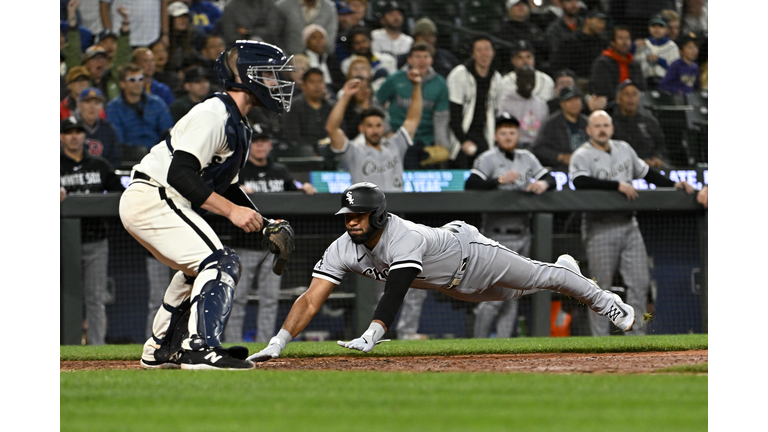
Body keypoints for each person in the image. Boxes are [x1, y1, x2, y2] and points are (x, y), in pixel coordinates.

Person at [247, 181, 637, 361]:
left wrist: (372, 334)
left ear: (378, 214)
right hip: (454, 286)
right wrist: (279, 342)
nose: (350, 222)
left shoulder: (403, 237)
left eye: (358, 215)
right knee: (518, 292)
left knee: (540, 277)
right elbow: (311, 297)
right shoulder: (342, 248)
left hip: (473, 254)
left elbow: (397, 290)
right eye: (347, 215)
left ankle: (606, 302)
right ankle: (564, 270)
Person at [119, 40, 297, 370]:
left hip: (161, 198)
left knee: (198, 269)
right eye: (270, 74)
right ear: (247, 76)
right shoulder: (213, 114)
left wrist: (263, 220)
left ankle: (162, 347)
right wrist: (232, 213)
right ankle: (199, 347)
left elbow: (224, 188)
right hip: (155, 194)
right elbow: (180, 174)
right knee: (221, 262)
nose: (278, 82)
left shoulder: (239, 123)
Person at [569, 110, 695, 336]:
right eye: (597, 126)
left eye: (605, 125)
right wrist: (617, 185)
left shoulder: (624, 149)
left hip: (629, 225)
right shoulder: (581, 155)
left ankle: (635, 337)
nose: (602, 129)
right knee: (600, 289)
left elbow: (647, 173)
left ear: (612, 128)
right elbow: (579, 181)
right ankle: (600, 340)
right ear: (588, 130)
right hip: (599, 226)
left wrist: (673, 184)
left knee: (640, 282)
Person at [465, 113, 556, 338]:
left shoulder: (527, 157)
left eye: (512, 132)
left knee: (513, 296)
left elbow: (550, 177)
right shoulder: (487, 158)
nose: (508, 136)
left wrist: (543, 182)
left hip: (523, 233)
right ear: (496, 135)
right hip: (496, 235)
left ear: (518, 134)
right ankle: (478, 342)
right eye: (503, 132)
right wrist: (498, 181)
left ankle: (503, 346)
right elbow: (471, 184)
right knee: (493, 297)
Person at [224, 123, 316, 343]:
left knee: (270, 299)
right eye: (256, 142)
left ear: (270, 145)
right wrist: (235, 189)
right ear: (249, 145)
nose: (260, 146)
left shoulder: (280, 171)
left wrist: (305, 188)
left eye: (264, 142)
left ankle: (265, 344)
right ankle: (232, 343)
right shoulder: (238, 171)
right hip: (245, 244)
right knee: (237, 298)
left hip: (274, 247)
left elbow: (294, 189)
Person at [60, 116, 125, 345]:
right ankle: (65, 345)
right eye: (69, 132)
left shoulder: (100, 164)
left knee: (95, 298)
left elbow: (122, 193)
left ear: (85, 137)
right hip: (63, 243)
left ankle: (96, 347)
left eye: (78, 131)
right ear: (61, 137)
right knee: (64, 297)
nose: (74, 136)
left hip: (96, 239)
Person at [326, 73, 421, 191]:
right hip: (366, 207)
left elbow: (413, 119)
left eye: (378, 125)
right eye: (369, 126)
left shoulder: (395, 145)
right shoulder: (353, 152)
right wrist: (346, 96)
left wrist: (417, 86)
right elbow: (332, 129)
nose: (375, 130)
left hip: (396, 207)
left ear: (383, 128)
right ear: (361, 128)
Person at [376, 41, 451, 169]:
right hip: (399, 138)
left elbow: (441, 117)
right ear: (409, 60)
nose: (422, 61)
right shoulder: (395, 79)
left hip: (427, 140)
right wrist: (387, 131)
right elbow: (376, 104)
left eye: (426, 57)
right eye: (417, 57)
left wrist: (442, 144)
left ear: (431, 60)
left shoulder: (440, 84)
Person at [446, 34, 503, 169]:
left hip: (484, 135)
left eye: (487, 49)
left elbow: (495, 112)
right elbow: (453, 114)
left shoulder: (497, 78)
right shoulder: (459, 74)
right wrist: (463, 141)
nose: (484, 53)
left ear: (493, 52)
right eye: (479, 50)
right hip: (460, 135)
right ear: (472, 53)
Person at [105, 62, 175, 152]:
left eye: (140, 79)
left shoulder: (157, 103)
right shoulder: (113, 108)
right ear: (122, 84)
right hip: (128, 156)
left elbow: (168, 131)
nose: (138, 83)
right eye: (132, 80)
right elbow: (118, 140)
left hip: (158, 153)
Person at [279, 68, 335, 159]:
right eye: (312, 82)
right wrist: (310, 152)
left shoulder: (331, 107)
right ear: (303, 86)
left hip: (330, 152)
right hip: (302, 155)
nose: (317, 86)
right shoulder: (294, 107)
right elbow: (292, 136)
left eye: (320, 81)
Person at [611, 80, 667, 169]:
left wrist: (657, 157)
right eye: (626, 94)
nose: (631, 98)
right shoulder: (610, 123)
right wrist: (639, 161)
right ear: (618, 99)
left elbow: (660, 145)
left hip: (651, 167)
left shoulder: (650, 121)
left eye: (634, 94)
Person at [532, 85, 589, 172]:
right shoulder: (552, 124)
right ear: (562, 104)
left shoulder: (588, 122)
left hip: (587, 167)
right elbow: (538, 148)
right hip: (562, 170)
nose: (574, 103)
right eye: (569, 100)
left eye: (576, 99)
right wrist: (560, 157)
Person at [589, 25, 647, 104]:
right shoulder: (602, 63)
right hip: (610, 104)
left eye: (628, 38)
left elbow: (641, 87)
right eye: (621, 38)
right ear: (613, 42)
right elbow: (604, 90)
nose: (625, 42)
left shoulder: (634, 64)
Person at [497, 65, 549, 149]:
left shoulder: (542, 104)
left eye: (532, 78)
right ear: (517, 80)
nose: (529, 81)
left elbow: (545, 133)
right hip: (513, 147)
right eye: (525, 77)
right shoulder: (505, 103)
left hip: (537, 149)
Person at [551, 9, 608, 81]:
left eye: (604, 22)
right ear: (588, 20)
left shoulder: (603, 43)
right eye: (599, 21)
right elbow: (559, 66)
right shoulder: (570, 42)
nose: (602, 25)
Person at [75, 87, 122, 168]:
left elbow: (115, 157)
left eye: (97, 103)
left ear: (101, 107)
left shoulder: (108, 129)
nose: (92, 107)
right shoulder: (71, 128)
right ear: (79, 105)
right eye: (87, 102)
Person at [497, 0, 548, 70]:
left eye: (523, 5)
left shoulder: (533, 27)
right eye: (517, 5)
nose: (521, 8)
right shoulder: (505, 30)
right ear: (510, 9)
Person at [633, 15, 680, 89]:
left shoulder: (672, 46)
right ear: (649, 28)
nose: (657, 29)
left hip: (666, 83)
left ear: (667, 29)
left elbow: (676, 70)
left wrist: (659, 60)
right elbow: (636, 65)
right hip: (645, 82)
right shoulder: (643, 43)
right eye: (653, 26)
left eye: (660, 26)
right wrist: (633, 47)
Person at [100, 0, 170, 49]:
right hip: (122, 39)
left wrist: (165, 34)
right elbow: (104, 5)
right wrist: (109, 33)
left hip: (152, 38)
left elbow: (164, 4)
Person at [302, 24, 346, 95]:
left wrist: (327, 87)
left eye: (321, 38)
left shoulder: (331, 59)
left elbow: (341, 82)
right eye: (314, 38)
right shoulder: (302, 59)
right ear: (306, 41)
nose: (318, 41)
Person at [166, 1, 208, 73]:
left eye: (185, 17)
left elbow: (202, 60)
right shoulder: (166, 39)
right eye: (178, 17)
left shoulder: (196, 36)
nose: (183, 20)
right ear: (171, 20)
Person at [544, 0, 583, 66]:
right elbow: (555, 55)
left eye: (576, 1)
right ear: (561, 4)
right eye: (569, 1)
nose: (573, 5)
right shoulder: (554, 30)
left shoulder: (585, 26)